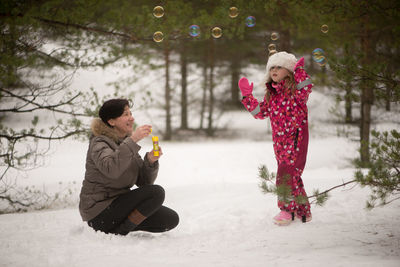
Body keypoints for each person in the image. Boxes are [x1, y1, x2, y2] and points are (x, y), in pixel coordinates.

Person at [79, 98, 179, 235]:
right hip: (98, 212)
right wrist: (133, 140)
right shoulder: (99, 142)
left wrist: (150, 162)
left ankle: (118, 227)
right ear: (111, 121)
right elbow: (112, 169)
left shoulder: (125, 143)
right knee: (157, 192)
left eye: (131, 114)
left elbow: (144, 183)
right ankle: (121, 230)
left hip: (119, 206)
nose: (131, 118)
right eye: (126, 114)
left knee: (170, 219)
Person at [238, 51, 313, 226]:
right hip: (279, 142)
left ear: (289, 70)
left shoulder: (296, 91)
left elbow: (306, 87)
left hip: (296, 138)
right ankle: (303, 211)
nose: (274, 70)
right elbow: (260, 113)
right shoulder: (272, 94)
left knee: (285, 174)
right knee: (291, 174)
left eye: (279, 67)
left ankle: (286, 210)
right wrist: (247, 97)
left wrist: (300, 70)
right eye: (272, 67)